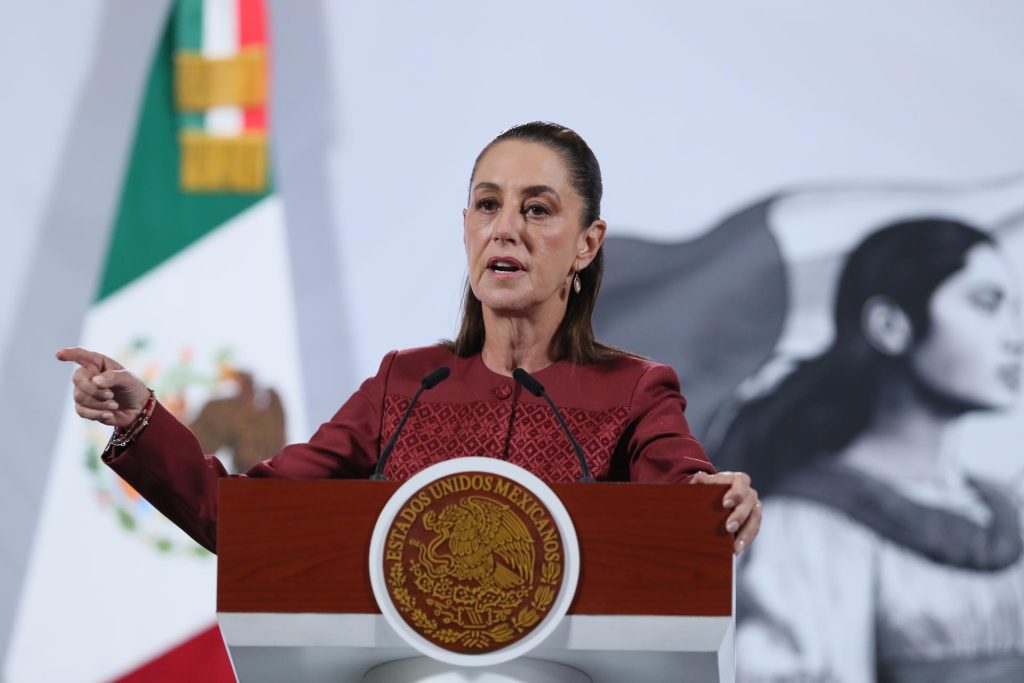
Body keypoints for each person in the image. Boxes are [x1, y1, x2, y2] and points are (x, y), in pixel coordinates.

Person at [57, 121, 762, 555]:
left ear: (586, 243)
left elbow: (681, 495)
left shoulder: (634, 392)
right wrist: (142, 418)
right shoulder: (406, 386)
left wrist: (711, 501)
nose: (505, 228)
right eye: (488, 205)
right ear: (466, 229)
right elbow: (245, 520)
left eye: (537, 209)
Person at [714, 218, 1024, 681]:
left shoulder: (1005, 507)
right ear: (890, 325)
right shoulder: (807, 527)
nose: (1014, 338)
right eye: (985, 304)